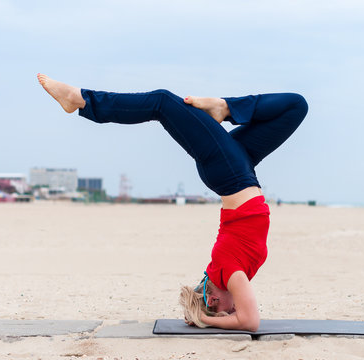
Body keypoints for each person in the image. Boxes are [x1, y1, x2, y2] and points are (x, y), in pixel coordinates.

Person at [37, 73, 308, 331]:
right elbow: (245, 317)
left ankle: (81, 100)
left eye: (228, 309)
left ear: (214, 301)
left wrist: (207, 319)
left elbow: (250, 322)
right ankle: (225, 108)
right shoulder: (226, 271)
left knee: (162, 102)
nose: (235, 307)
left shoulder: (229, 274)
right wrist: (210, 316)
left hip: (231, 175)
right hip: (241, 170)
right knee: (296, 106)